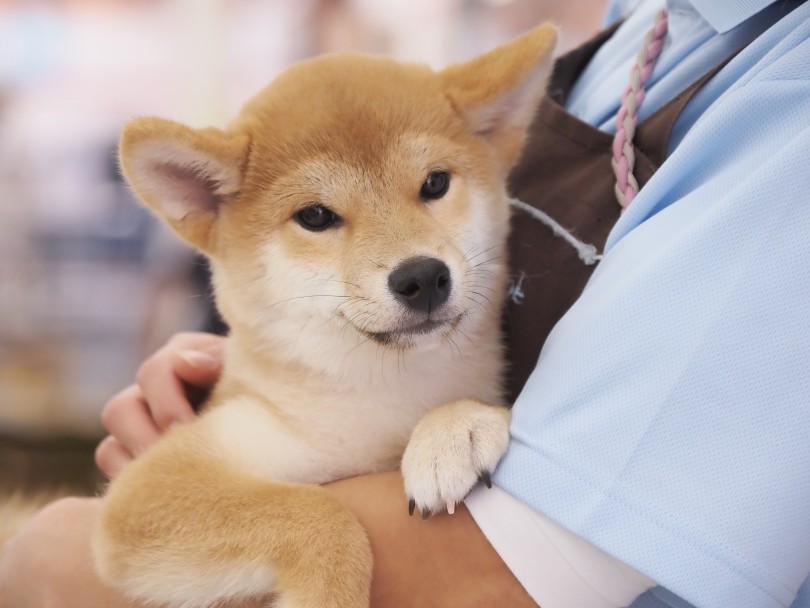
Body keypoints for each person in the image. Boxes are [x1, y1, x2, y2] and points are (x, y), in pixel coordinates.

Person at [2, 0, 809, 606]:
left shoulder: (786, 87)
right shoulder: (653, 18)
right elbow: (147, 525)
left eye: (431, 187)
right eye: (319, 217)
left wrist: (47, 557)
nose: (408, 259)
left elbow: (496, 573)